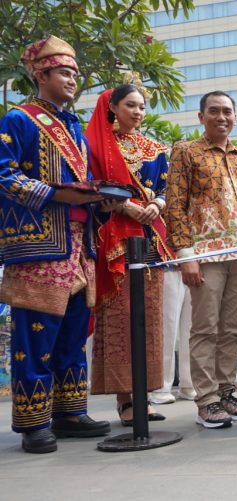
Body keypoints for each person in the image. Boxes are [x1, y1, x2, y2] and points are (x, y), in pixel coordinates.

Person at [0, 35, 111, 453]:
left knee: (71, 334)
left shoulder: (75, 129)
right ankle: (33, 423)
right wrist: (55, 194)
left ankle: (69, 413)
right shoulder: (18, 120)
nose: (72, 81)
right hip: (39, 247)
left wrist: (97, 196)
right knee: (36, 338)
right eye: (65, 73)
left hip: (79, 246)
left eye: (75, 74)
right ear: (40, 74)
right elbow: (3, 175)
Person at [165, 91, 237, 429]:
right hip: (205, 255)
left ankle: (226, 391)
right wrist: (184, 254)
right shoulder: (185, 152)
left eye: (227, 112)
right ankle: (206, 400)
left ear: (235, 118)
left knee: (234, 328)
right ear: (201, 117)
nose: (221, 117)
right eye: (214, 111)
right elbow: (174, 205)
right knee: (205, 327)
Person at [86, 83, 170, 425]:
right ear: (113, 106)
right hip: (115, 241)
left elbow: (164, 188)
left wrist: (156, 203)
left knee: (150, 319)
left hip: (150, 241)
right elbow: (93, 189)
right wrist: (126, 207)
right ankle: (125, 399)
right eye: (131, 105)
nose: (138, 112)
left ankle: (146, 393)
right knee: (121, 318)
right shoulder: (95, 146)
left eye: (142, 107)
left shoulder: (154, 148)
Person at [150, 263, 196, 404]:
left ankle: (190, 383)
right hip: (166, 262)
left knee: (194, 330)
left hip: (196, 262)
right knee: (166, 329)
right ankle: (161, 386)